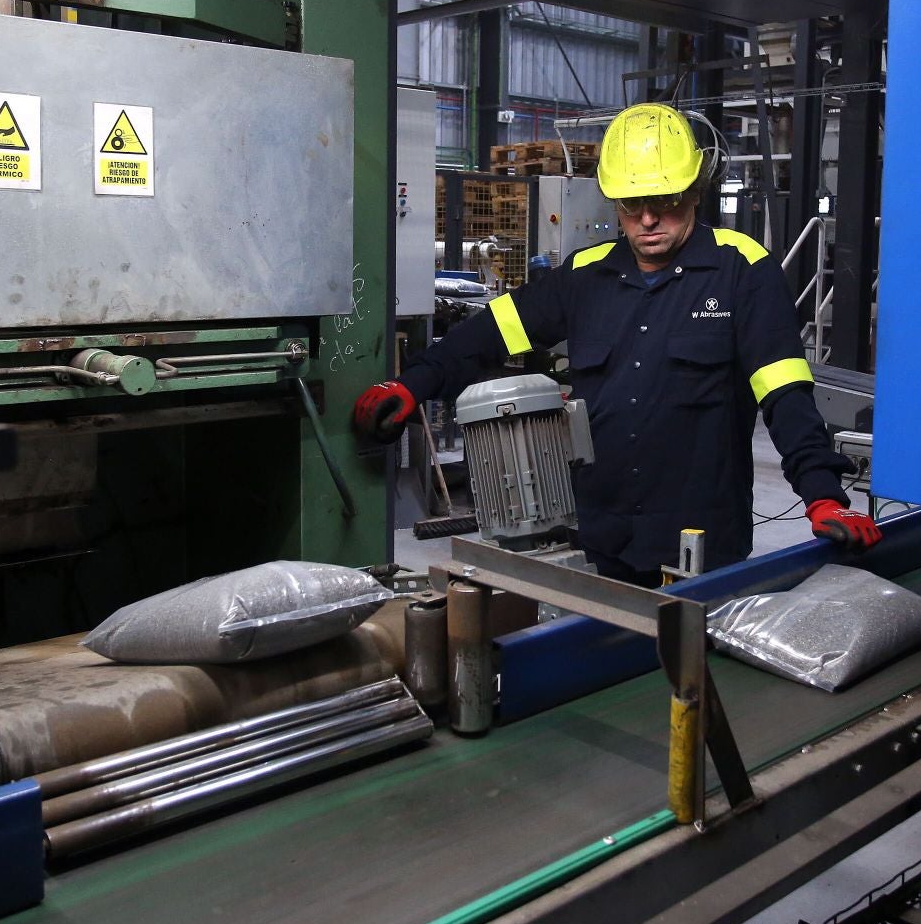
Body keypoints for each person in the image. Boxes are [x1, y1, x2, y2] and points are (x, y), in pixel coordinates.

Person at [353, 103, 880, 584]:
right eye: (632, 205)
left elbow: (784, 391)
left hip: (700, 547)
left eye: (665, 202)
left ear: (694, 192)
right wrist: (412, 383)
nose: (648, 219)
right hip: (603, 537)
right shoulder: (586, 275)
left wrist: (823, 496)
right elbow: (490, 331)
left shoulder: (740, 268)